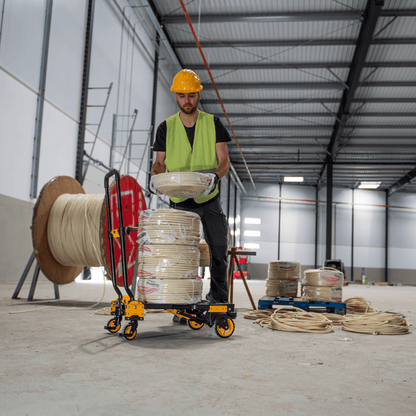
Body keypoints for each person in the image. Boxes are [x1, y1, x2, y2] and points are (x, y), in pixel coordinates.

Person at [151, 68, 231, 306]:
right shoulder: (166, 127)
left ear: (199, 95)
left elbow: (224, 161)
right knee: (178, 253)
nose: (187, 101)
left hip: (208, 197)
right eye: (182, 96)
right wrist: (156, 178)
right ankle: (180, 298)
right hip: (179, 201)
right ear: (176, 96)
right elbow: (159, 164)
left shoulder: (213, 123)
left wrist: (215, 177)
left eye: (191, 95)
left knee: (219, 247)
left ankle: (217, 298)